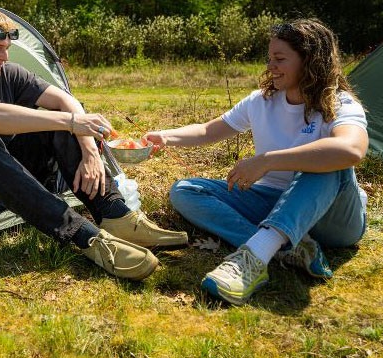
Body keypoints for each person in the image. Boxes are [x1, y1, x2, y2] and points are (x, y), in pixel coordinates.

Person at [0, 8, 188, 281]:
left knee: (58, 124)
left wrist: (90, 150)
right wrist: (69, 121)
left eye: (7, 48)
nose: (4, 56)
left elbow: (66, 101)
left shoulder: (7, 73)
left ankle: (116, 215)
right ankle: (84, 237)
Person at [144, 19, 368, 305]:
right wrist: (164, 136)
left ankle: (255, 255)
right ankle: (286, 248)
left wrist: (267, 161)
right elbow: (207, 130)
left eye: (280, 59)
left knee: (329, 158)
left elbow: (351, 150)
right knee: (185, 190)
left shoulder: (340, 103)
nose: (270, 66)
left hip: (334, 221)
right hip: (272, 200)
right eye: (269, 58)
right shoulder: (261, 102)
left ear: (309, 60)